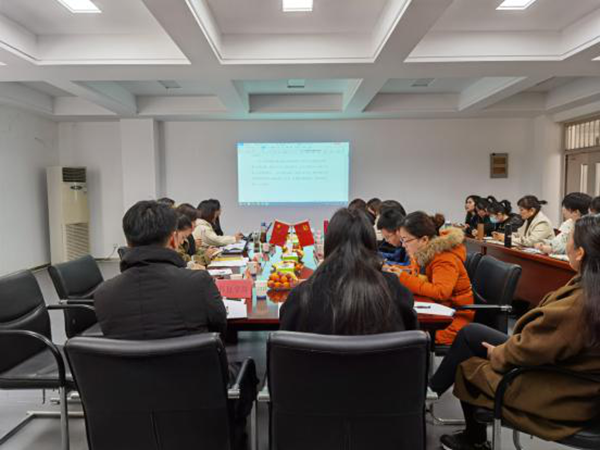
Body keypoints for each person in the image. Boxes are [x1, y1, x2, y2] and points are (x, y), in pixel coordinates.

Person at [94, 200, 257, 449]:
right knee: (248, 370)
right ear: (173, 239)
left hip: (131, 401)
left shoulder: (104, 294)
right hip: (196, 394)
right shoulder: (197, 282)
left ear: (128, 241)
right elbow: (219, 325)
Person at [431, 215, 600, 450]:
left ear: (580, 252)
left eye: (568, 238)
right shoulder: (590, 286)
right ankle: (432, 392)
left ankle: (472, 439)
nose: (564, 243)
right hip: (573, 376)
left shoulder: (579, 304)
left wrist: (499, 354)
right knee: (472, 334)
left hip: (564, 391)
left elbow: (535, 350)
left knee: (468, 368)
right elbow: (545, 343)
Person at [280, 208, 418, 334]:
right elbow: (413, 339)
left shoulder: (301, 296)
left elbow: (284, 344)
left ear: (329, 244)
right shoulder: (395, 290)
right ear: (371, 243)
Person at [393, 212, 475, 345]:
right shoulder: (423, 254)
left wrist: (403, 278)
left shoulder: (444, 258)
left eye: (406, 240)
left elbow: (441, 292)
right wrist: (396, 270)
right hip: (438, 310)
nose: (403, 245)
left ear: (424, 240)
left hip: (453, 318)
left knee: (404, 334)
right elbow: (419, 277)